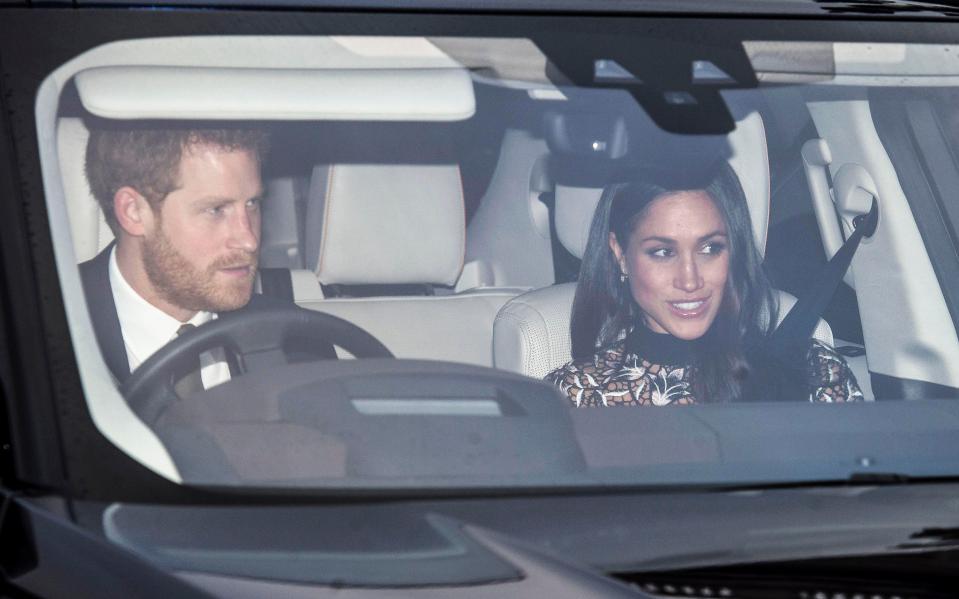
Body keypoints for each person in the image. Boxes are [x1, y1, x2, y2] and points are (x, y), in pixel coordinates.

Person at [545, 164, 863, 406]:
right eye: (662, 252)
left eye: (710, 248)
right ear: (620, 254)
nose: (690, 280)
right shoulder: (574, 397)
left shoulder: (815, 373)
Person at [80, 125, 333, 389]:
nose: (249, 240)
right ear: (134, 212)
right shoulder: (48, 329)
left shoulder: (296, 340)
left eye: (252, 204)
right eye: (216, 210)